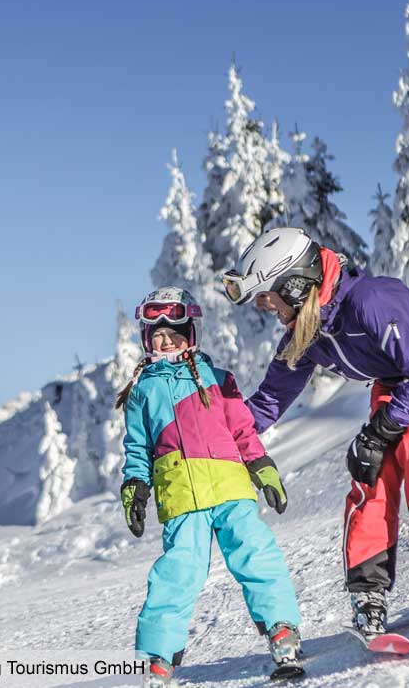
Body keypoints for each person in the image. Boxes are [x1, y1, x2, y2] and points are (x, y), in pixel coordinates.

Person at [221, 227, 409, 640]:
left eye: (268, 297)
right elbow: (268, 402)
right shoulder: (308, 330)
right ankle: (369, 593)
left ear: (295, 286)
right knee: (372, 467)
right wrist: (216, 443)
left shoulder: (370, 302)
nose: (267, 308)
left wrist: (381, 428)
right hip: (400, 384)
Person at [118, 286, 304, 686]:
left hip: (230, 487)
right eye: (158, 335)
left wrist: (263, 467)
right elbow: (137, 445)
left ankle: (282, 628)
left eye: (175, 332)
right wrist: (135, 484)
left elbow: (243, 429)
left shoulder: (218, 379)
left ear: (192, 333)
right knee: (176, 572)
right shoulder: (142, 391)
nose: (166, 341)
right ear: (146, 339)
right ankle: (158, 655)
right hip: (181, 495)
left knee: (255, 553)